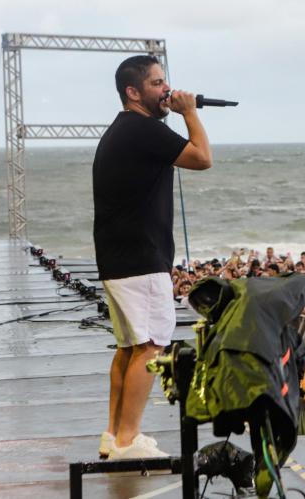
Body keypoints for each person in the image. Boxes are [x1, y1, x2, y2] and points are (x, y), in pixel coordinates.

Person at [94, 55, 212, 459]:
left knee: (129, 347)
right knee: (151, 347)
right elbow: (202, 158)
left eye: (167, 82)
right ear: (133, 92)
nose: (167, 90)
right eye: (158, 83)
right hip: (140, 260)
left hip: (119, 258)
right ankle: (127, 441)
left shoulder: (123, 130)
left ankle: (115, 435)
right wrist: (190, 113)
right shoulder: (142, 129)